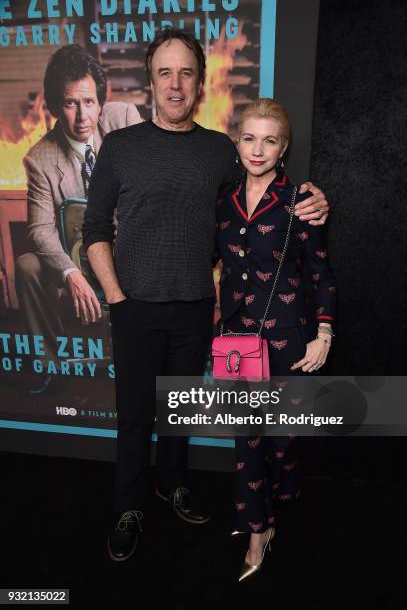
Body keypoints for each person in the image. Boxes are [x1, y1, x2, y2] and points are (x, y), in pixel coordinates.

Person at [82, 29, 330, 563]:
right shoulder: (120, 146)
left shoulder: (221, 150)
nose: (175, 84)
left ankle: (171, 485)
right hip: (134, 306)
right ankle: (129, 506)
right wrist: (117, 298)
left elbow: (264, 192)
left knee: (178, 410)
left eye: (186, 73)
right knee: (134, 415)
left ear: (199, 84)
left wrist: (315, 198)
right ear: (151, 81)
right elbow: (94, 227)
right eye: (164, 73)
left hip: (198, 307)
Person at [214, 98, 336, 581]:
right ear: (237, 142)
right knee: (246, 436)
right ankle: (257, 526)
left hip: (288, 336)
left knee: (281, 439)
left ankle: (280, 499)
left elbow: (324, 274)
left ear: (283, 147)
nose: (257, 149)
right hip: (237, 337)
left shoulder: (300, 201)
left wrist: (323, 333)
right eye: (249, 138)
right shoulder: (223, 197)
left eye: (269, 140)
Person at [15, 45, 142, 392]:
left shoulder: (124, 119)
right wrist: (71, 273)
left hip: (128, 249)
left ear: (101, 101)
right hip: (77, 257)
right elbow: (40, 228)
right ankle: (52, 364)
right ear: (56, 107)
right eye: (71, 103)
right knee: (27, 266)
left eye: (89, 102)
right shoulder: (40, 159)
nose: (83, 116)